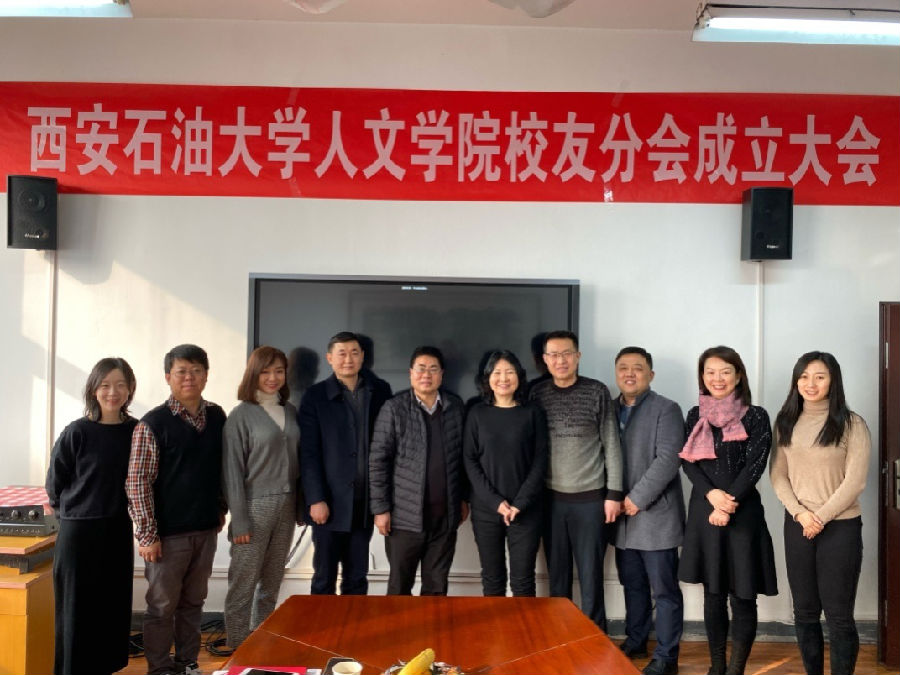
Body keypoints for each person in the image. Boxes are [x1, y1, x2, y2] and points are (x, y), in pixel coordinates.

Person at [126, 344, 227, 675]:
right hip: (166, 536)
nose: (189, 377)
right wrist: (147, 535)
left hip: (205, 529)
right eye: (182, 371)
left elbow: (222, 468)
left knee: (193, 603)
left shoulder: (217, 417)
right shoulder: (152, 424)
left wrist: (220, 508)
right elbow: (137, 483)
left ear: (206, 376)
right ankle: (160, 669)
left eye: (196, 371)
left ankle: (188, 664)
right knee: (161, 607)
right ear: (168, 376)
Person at [678, 345, 778, 675]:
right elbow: (688, 462)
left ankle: (736, 669)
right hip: (704, 512)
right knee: (713, 593)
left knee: (743, 595)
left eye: (725, 371)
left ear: (738, 376)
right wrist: (712, 496)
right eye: (710, 372)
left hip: (742, 515)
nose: (717, 378)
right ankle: (717, 666)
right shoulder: (695, 415)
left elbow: (755, 464)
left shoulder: (756, 415)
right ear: (702, 377)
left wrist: (728, 502)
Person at [770, 352, 870, 675]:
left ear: (833, 381)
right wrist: (801, 514)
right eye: (803, 376)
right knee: (805, 612)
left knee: (839, 615)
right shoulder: (785, 422)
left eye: (819, 377)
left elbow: (855, 481)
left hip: (840, 527)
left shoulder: (852, 424)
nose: (810, 383)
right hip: (798, 524)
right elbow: (778, 475)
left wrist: (820, 517)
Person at [45, 357, 137, 675]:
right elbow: (54, 484)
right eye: (105, 385)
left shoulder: (136, 431)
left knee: (111, 608)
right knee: (76, 611)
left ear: (130, 389)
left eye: (120, 385)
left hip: (117, 529)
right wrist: (73, 514)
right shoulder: (77, 432)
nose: (113, 392)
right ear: (94, 389)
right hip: (79, 533)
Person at [528, 330, 623, 630]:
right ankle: (560, 635)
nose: (561, 360)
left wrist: (614, 494)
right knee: (557, 576)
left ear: (578, 356)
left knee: (591, 575)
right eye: (554, 355)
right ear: (545, 360)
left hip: (591, 500)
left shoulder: (596, 391)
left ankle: (594, 636)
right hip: (550, 501)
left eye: (567, 353)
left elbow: (611, 444)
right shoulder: (536, 394)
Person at [369, 345, 469, 595]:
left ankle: (432, 624)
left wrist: (463, 498)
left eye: (433, 369)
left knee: (436, 588)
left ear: (442, 374)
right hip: (404, 518)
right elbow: (378, 461)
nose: (427, 375)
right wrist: (380, 509)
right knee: (399, 588)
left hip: (444, 518)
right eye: (421, 369)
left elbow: (463, 459)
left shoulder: (455, 407)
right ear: (411, 373)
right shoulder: (394, 408)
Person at [299, 331, 392, 595]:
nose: (348, 359)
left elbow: (388, 446)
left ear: (362, 357)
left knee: (357, 577)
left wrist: (382, 501)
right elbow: (308, 452)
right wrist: (316, 498)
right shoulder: (315, 396)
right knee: (324, 577)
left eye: (354, 353)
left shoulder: (380, 391)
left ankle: (354, 623)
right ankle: (322, 625)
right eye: (342, 353)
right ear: (330, 358)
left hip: (364, 502)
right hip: (329, 502)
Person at [222, 346, 302, 648]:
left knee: (271, 582)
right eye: (265, 371)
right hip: (253, 508)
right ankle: (238, 649)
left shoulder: (290, 410)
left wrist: (300, 506)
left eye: (279, 371)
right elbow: (231, 471)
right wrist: (239, 521)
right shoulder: (240, 415)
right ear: (253, 374)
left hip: (287, 505)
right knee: (243, 584)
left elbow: (299, 461)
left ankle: (261, 646)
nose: (272, 377)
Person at [612, 347, 685, 675]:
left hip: (655, 516)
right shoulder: (609, 409)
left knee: (664, 591)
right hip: (622, 520)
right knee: (633, 584)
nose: (630, 374)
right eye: (623, 368)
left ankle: (667, 657)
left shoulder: (666, 409)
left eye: (638, 368)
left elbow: (669, 459)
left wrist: (636, 498)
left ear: (650, 375)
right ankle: (636, 640)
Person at [463, 349, 548, 597]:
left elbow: (540, 460)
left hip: (526, 510)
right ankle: (495, 624)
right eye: (497, 372)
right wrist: (496, 502)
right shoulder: (477, 413)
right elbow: (469, 460)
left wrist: (520, 503)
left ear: (519, 377)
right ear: (487, 378)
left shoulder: (532, 413)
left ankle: (524, 625)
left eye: (509, 372)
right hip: (486, 510)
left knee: (523, 581)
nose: (503, 378)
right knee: (492, 579)